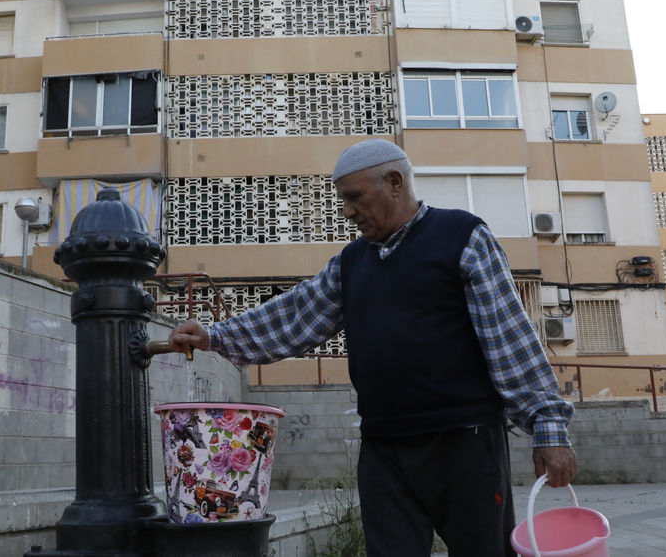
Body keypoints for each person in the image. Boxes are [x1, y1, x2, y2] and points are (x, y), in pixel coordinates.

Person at [168, 139, 576, 557]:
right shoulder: (351, 264)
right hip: (385, 450)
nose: (347, 211)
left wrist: (548, 427)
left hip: (464, 443)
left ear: (395, 183)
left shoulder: (463, 238)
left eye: (355, 197)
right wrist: (214, 336)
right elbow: (292, 317)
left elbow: (510, 339)